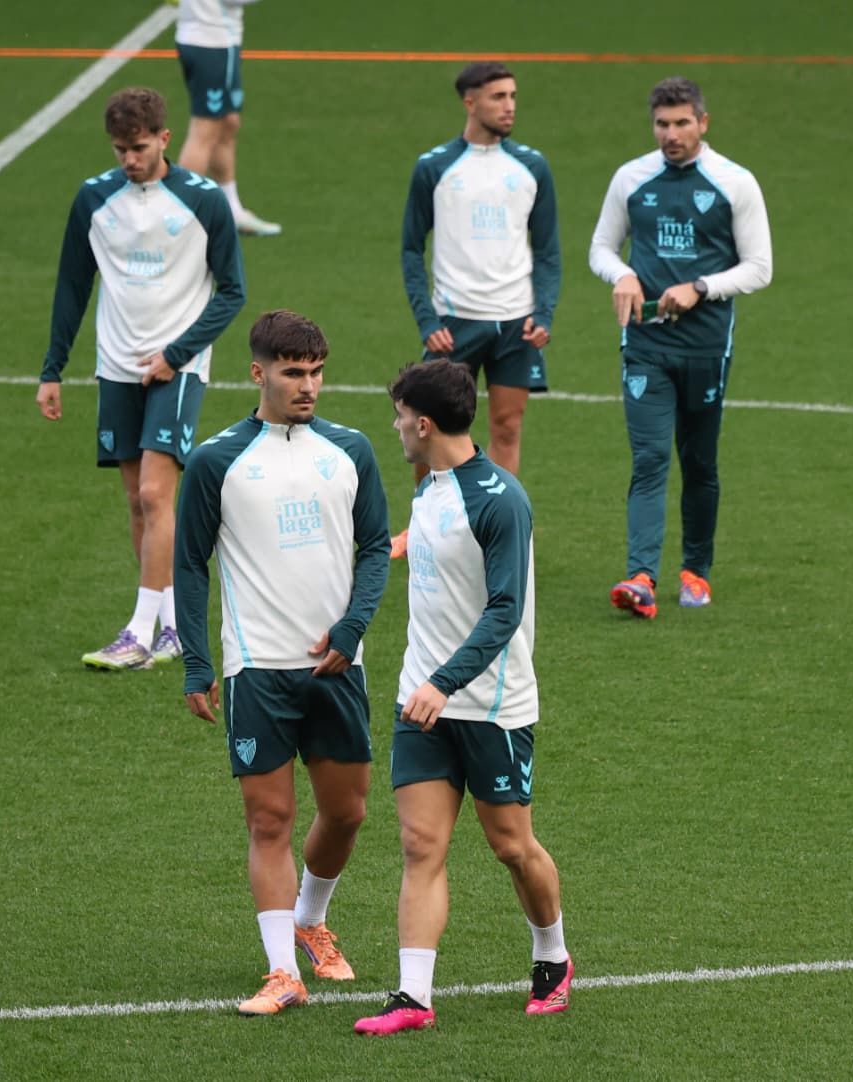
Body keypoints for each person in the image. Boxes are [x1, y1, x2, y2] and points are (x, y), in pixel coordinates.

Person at [174, 309, 390, 1017]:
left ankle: (309, 919)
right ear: (257, 373)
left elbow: (374, 548)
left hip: (338, 667)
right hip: (258, 669)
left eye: (317, 372)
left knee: (347, 813)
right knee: (269, 820)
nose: (308, 386)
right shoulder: (217, 461)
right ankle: (282, 972)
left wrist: (352, 628)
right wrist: (197, 662)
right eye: (294, 372)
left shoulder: (351, 450)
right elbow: (190, 565)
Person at [354, 359, 570, 1036]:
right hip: (421, 702)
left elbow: (504, 610)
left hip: (490, 708)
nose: (394, 428)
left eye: (399, 417)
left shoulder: (501, 500)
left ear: (424, 424)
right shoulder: (432, 487)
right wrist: (404, 543)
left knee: (512, 846)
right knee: (421, 844)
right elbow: (447, 549)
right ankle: (413, 997)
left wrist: (444, 683)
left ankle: (552, 956)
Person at [37, 86, 246, 671]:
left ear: (163, 138)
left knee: (156, 494)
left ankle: (137, 633)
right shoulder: (94, 200)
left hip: (178, 368)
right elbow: (72, 286)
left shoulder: (203, 200)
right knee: (137, 502)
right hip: (116, 366)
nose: (129, 159)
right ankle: (174, 627)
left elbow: (233, 292)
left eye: (138, 148)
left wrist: (176, 354)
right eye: (119, 150)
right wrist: (53, 369)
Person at [588, 76, 772, 619]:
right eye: (662, 124)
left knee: (698, 461)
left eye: (682, 123)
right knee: (649, 459)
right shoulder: (631, 178)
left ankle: (696, 570)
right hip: (645, 344)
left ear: (703, 123)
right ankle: (641, 576)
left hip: (706, 347)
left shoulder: (735, 182)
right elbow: (601, 247)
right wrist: (622, 274)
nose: (671, 134)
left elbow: (759, 268)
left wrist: (700, 287)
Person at [394, 61, 560, 558]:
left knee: (507, 427)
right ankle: (424, 526)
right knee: (428, 428)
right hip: (453, 323)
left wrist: (544, 313)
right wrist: (427, 320)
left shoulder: (532, 167)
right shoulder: (434, 167)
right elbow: (410, 249)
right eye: (498, 97)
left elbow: (548, 251)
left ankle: (497, 530)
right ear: (470, 102)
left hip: (516, 323)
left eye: (513, 96)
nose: (509, 106)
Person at [173, 0, 282, 236]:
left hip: (215, 40)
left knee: (228, 123)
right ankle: (177, 217)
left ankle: (231, 208)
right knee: (205, 129)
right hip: (210, 43)